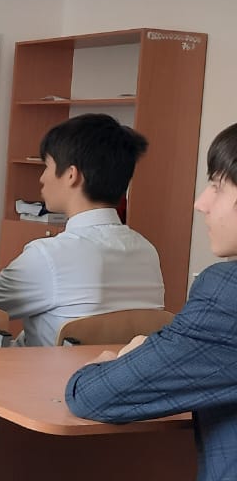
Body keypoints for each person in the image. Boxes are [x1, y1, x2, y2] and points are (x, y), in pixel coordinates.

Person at [67, 122, 237, 481]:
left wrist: (114, 363)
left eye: (217, 186)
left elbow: (92, 396)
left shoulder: (227, 291)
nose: (201, 203)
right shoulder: (145, 248)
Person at [0, 114, 163, 347]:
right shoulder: (147, 251)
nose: (42, 178)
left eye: (47, 166)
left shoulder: (48, 256)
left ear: (71, 175)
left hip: (48, 371)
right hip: (120, 369)